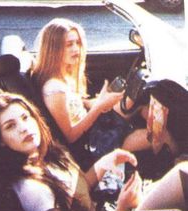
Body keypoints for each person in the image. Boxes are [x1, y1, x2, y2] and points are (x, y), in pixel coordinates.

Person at [0, 92, 142, 211]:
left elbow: (76, 193)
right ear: (0, 140)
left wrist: (105, 163)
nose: (23, 128)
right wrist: (122, 209)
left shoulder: (45, 155)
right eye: (10, 126)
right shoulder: (34, 190)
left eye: (25, 117)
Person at [32, 18, 147, 169]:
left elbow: (76, 105)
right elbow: (71, 137)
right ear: (53, 49)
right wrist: (99, 107)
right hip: (92, 143)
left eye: (77, 43)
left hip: (94, 126)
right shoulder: (54, 90)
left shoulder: (63, 75)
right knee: (156, 136)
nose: (76, 49)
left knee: (142, 104)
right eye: (69, 45)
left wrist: (98, 101)